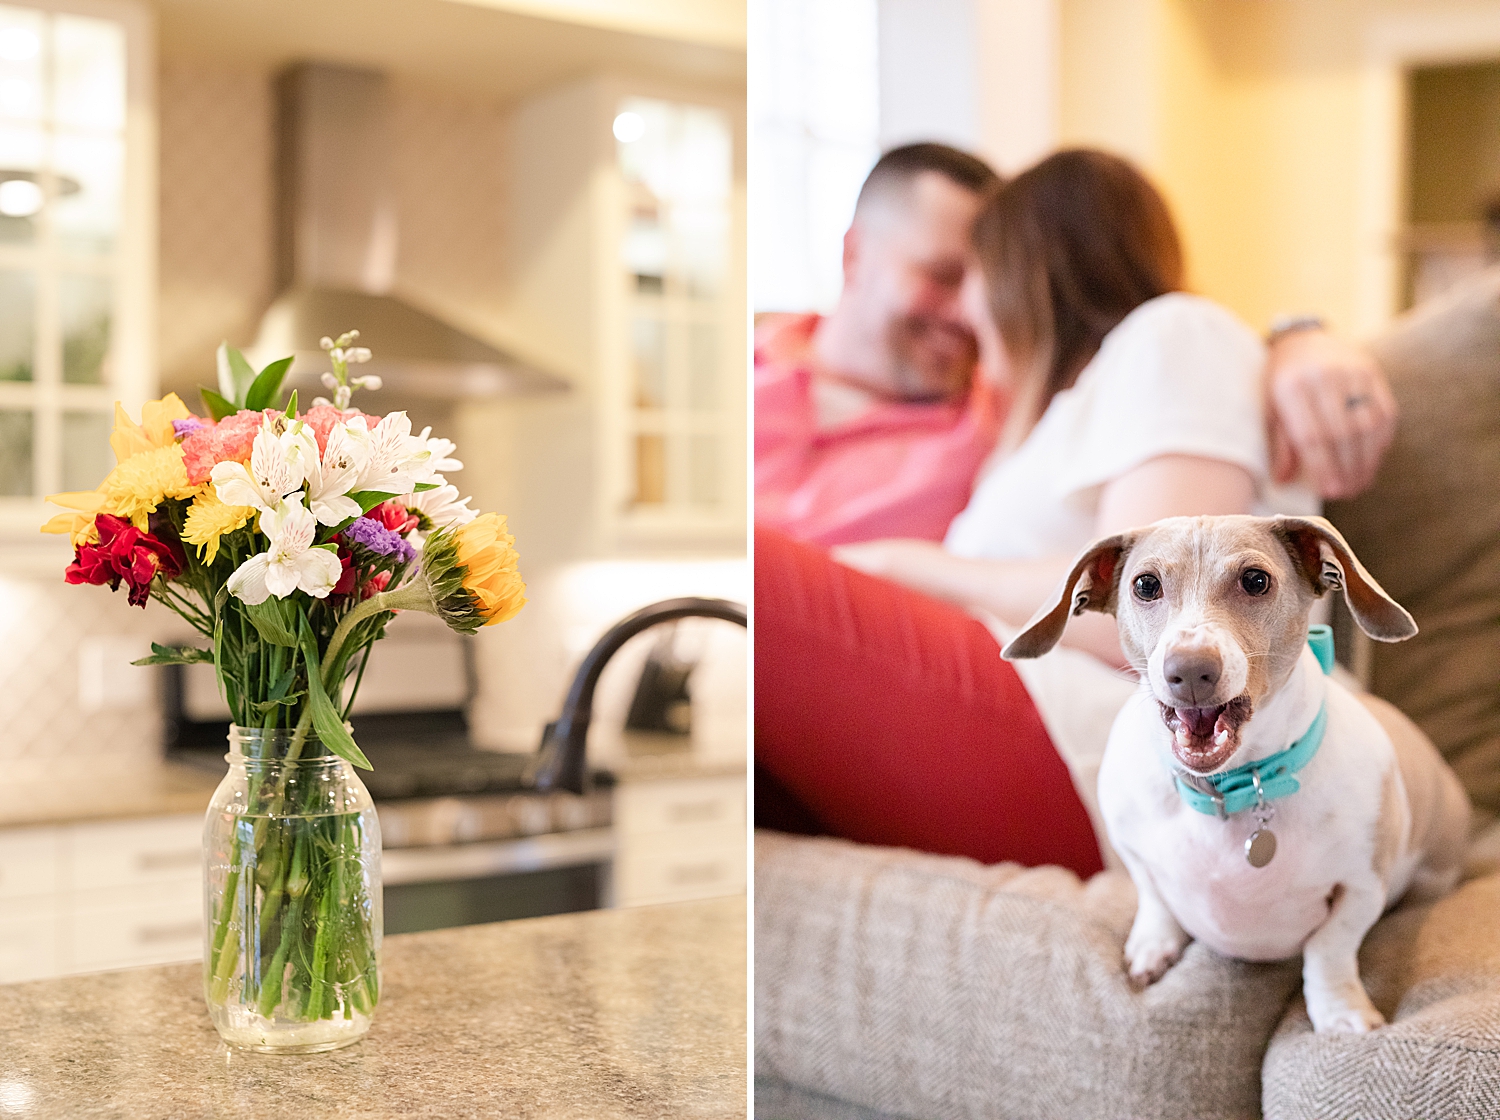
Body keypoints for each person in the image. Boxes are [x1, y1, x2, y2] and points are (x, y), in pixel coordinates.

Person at [755, 150, 1348, 877]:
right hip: (1051, 717)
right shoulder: (1055, 414)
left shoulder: (1175, 337)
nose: (965, 310)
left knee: (751, 572)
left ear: (1018, 273)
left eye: (969, 273)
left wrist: (905, 566)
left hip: (1104, 736)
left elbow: (1166, 622)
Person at [755, 143, 1398, 549]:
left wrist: (1297, 340)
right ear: (853, 255)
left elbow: (1179, 378)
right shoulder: (737, 376)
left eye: (979, 281)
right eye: (941, 276)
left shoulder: (997, 411)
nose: (966, 314)